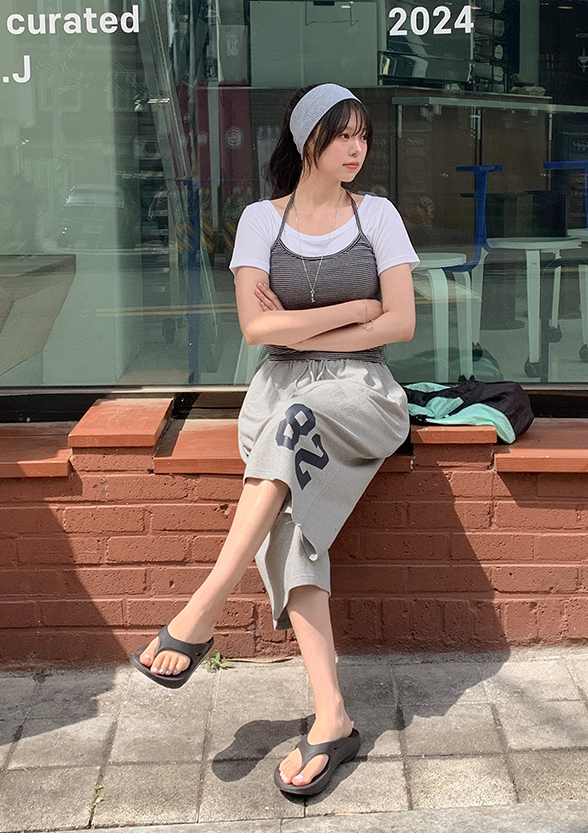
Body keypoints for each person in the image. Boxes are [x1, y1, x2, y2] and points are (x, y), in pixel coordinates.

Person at [131, 83, 420, 797]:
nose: (356, 148)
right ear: (306, 139)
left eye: (362, 136)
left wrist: (306, 326)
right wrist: (355, 307)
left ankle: (207, 602)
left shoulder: (378, 215)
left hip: (362, 394)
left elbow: (400, 323)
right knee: (289, 521)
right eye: (341, 134)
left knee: (295, 426)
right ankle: (333, 717)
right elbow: (257, 330)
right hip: (278, 392)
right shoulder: (261, 220)